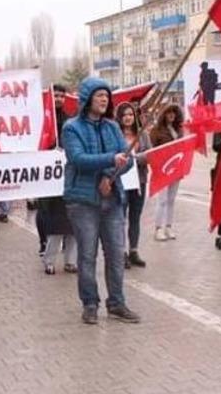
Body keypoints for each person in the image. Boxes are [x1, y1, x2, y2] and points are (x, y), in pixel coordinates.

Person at [62, 77, 139, 325]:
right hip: (83, 202)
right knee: (87, 255)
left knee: (116, 254)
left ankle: (116, 303)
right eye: (99, 95)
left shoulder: (112, 127)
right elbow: (78, 159)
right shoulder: (71, 127)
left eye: (107, 95)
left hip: (113, 199)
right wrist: (111, 160)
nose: (104, 99)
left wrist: (109, 175)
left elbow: (127, 160)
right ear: (87, 99)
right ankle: (90, 304)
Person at [39, 84, 76, 275]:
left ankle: (71, 261)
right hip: (51, 181)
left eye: (62, 96)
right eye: (56, 96)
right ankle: (49, 260)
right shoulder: (43, 120)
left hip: (70, 178)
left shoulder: (71, 120)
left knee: (73, 224)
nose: (59, 99)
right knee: (55, 225)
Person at [115, 102, 150, 267]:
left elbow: (150, 154)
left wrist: (139, 158)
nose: (128, 118)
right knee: (120, 218)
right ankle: (120, 252)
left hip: (139, 181)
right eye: (125, 115)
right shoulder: (115, 135)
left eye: (130, 114)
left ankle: (134, 250)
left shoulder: (142, 135)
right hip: (121, 181)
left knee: (135, 217)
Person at [149, 104, 185, 241]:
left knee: (171, 200)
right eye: (168, 112)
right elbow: (152, 151)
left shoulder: (179, 130)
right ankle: (158, 228)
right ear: (163, 114)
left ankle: (168, 227)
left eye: (173, 113)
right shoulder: (156, 131)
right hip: (163, 169)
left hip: (176, 168)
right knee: (162, 200)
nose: (171, 115)